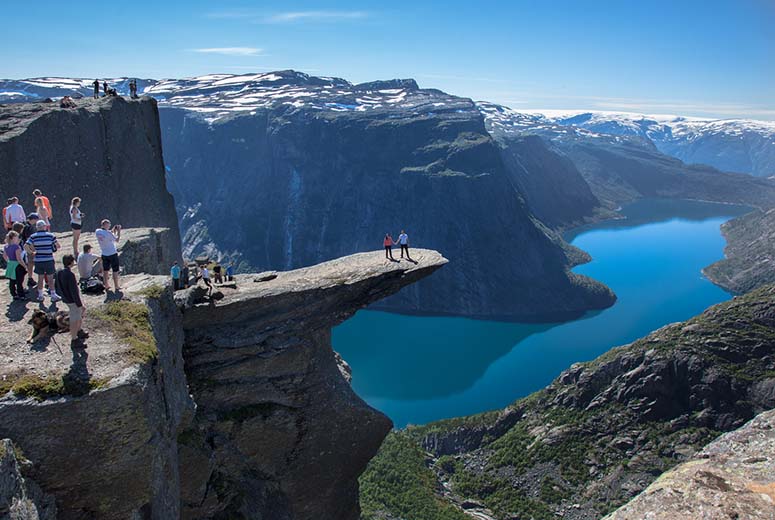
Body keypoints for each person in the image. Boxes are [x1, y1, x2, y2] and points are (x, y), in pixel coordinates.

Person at [55, 254, 88, 349]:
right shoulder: (70, 274)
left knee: (77, 315)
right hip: (72, 300)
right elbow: (74, 292)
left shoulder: (59, 272)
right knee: (75, 318)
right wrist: (80, 304)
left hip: (66, 299)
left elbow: (56, 286)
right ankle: (74, 339)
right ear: (71, 262)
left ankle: (79, 331)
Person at [28, 220, 61, 302]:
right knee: (50, 278)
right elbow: (58, 246)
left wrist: (32, 252)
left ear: (37, 227)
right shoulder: (51, 235)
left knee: (40, 278)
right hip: (49, 259)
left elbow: (26, 245)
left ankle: (40, 295)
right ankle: (53, 295)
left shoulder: (33, 236)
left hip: (38, 260)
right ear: (44, 226)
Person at [96, 219, 121, 292]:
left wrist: (113, 230)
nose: (109, 226)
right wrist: (118, 231)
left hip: (104, 254)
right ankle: (116, 286)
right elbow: (117, 240)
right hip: (112, 254)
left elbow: (107, 233)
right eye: (109, 224)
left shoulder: (98, 231)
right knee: (115, 270)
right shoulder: (109, 234)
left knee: (105, 270)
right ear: (105, 225)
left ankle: (106, 285)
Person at [3, 231, 26, 300]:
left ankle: (13, 294)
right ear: (13, 238)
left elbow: (4, 256)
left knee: (12, 281)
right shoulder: (16, 247)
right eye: (17, 237)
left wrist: (9, 261)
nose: (18, 239)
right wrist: (25, 266)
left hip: (10, 264)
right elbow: (19, 259)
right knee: (19, 281)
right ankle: (21, 295)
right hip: (17, 265)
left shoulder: (6, 246)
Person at [21, 213, 39, 286]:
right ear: (33, 219)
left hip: (24, 247)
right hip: (28, 248)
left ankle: (29, 278)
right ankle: (30, 278)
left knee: (30, 264)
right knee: (31, 263)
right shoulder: (29, 227)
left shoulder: (25, 225)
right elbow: (29, 240)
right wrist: (33, 249)